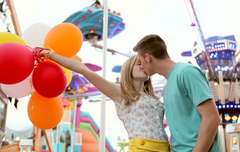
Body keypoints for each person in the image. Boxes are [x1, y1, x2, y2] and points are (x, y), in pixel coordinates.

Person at [39, 49, 170, 152]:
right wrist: (50, 55)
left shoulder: (154, 99)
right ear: (128, 70)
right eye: (139, 64)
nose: (143, 66)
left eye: (145, 64)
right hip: (142, 149)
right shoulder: (122, 94)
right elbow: (83, 69)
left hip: (165, 148)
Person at [133, 34, 221, 152]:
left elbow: (211, 118)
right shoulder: (167, 87)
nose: (141, 66)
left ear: (148, 57)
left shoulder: (187, 72)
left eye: (140, 61)